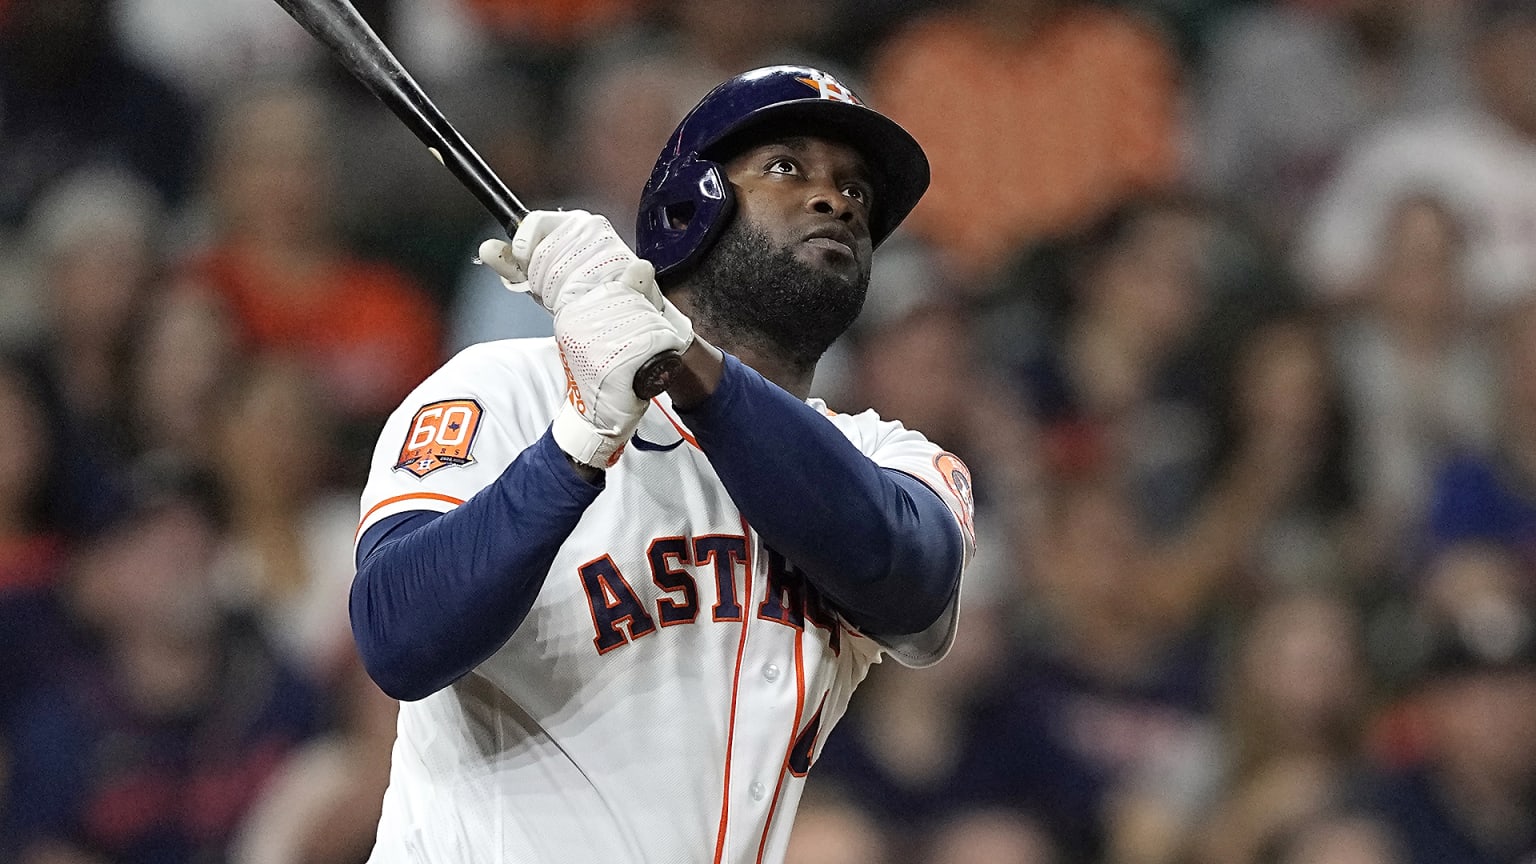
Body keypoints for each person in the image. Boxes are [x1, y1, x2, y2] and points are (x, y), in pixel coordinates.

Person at [348, 65, 974, 862]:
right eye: (788, 167)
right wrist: (574, 445)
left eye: (857, 189)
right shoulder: (510, 388)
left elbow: (911, 587)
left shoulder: (883, 458)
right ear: (690, 207)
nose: (838, 200)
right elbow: (398, 637)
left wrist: (682, 356)